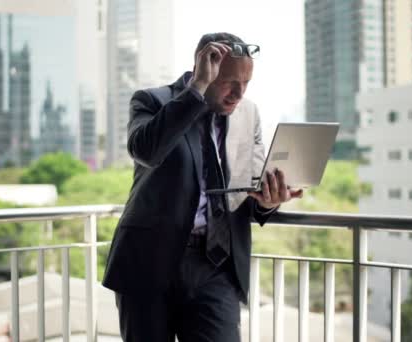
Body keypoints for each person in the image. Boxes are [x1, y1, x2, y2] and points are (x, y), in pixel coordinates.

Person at [102, 32, 303, 342]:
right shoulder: (152, 101)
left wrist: (268, 201)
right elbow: (146, 151)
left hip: (216, 266)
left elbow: (245, 190)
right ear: (202, 69)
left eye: (246, 83)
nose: (239, 94)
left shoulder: (247, 114)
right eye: (229, 82)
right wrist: (196, 90)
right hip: (149, 262)